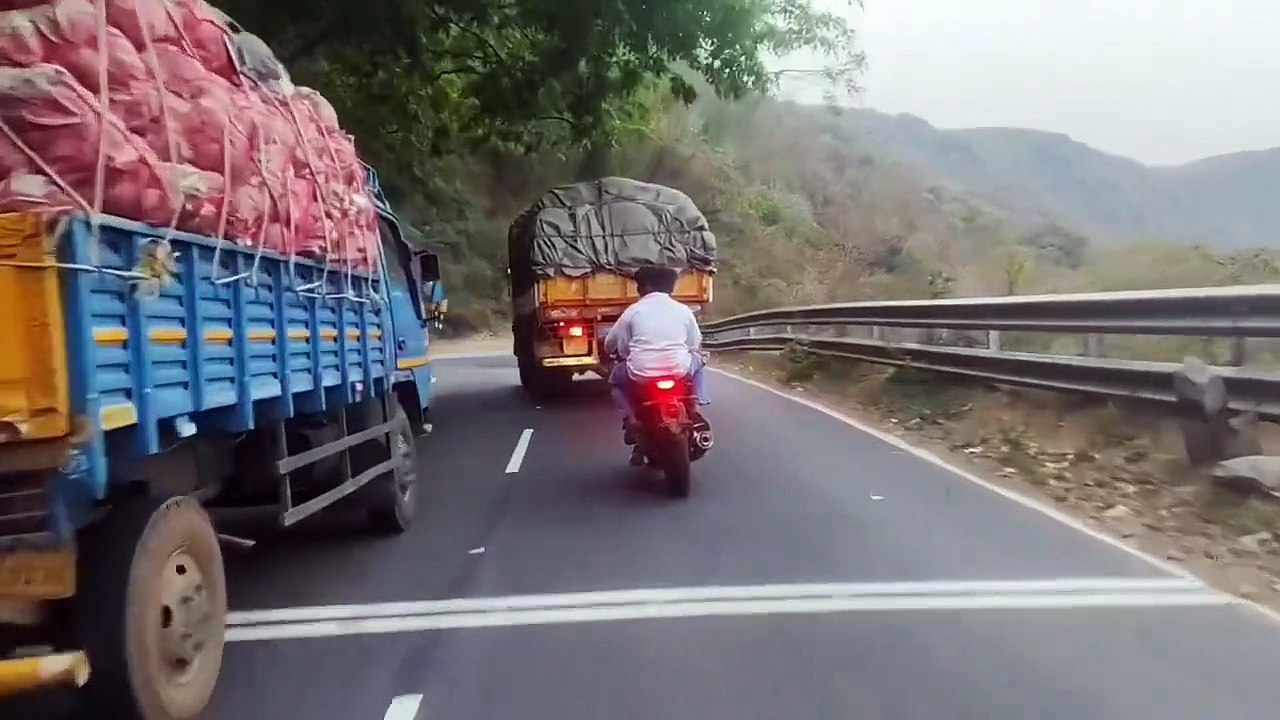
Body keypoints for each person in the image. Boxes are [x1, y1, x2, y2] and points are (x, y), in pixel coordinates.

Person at [603, 265, 709, 446]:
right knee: (700, 361)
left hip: (641, 372)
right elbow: (694, 343)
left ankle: (632, 418)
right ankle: (696, 403)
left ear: (645, 288)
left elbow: (614, 345)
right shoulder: (683, 310)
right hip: (679, 369)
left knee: (616, 384)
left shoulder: (632, 311)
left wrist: (619, 352)